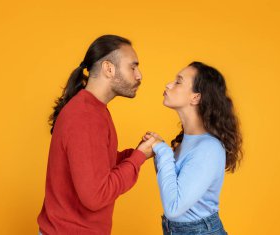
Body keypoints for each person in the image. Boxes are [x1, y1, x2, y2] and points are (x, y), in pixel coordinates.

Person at [37, 35, 156, 235]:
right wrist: (138, 158)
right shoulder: (85, 116)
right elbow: (96, 196)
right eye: (132, 67)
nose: (139, 75)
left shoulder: (92, 109)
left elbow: (93, 165)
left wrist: (134, 154)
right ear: (109, 68)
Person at [144, 61, 243, 235]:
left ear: (196, 97)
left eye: (178, 81)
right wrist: (159, 152)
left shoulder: (209, 149)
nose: (168, 84)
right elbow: (171, 188)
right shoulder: (186, 141)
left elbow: (173, 208)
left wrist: (163, 151)